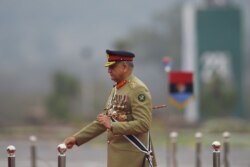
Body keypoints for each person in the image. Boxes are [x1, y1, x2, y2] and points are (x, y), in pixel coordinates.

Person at [64, 49, 157, 167]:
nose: (108, 71)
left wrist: (113, 126)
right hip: (118, 157)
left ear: (124, 67)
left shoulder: (138, 89)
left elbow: (143, 124)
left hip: (132, 157)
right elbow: (104, 121)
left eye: (112, 67)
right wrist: (76, 138)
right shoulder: (117, 89)